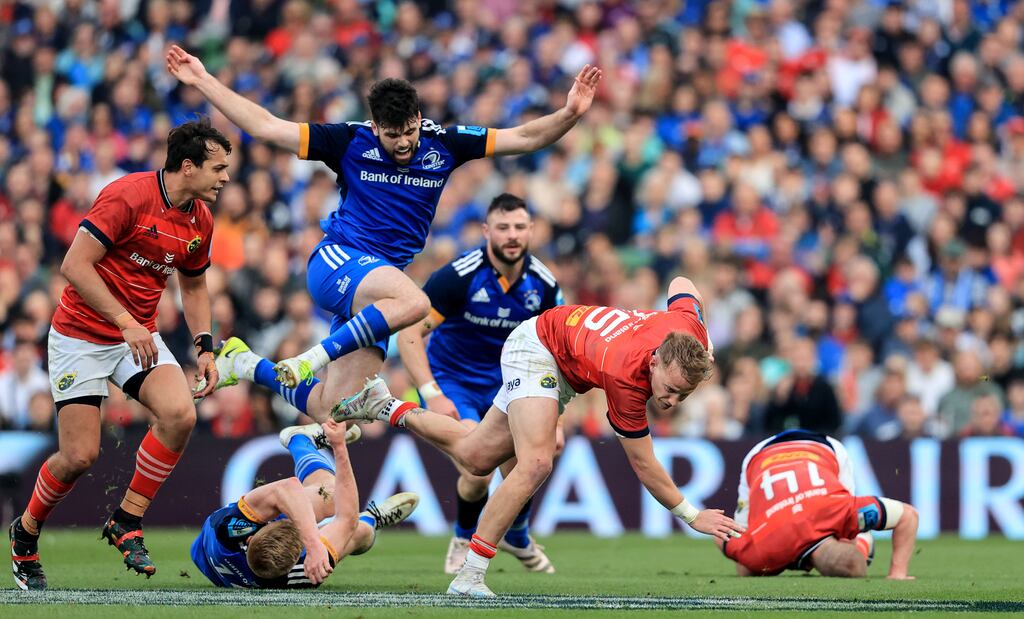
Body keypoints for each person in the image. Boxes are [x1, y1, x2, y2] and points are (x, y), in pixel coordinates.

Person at [166, 45, 601, 429]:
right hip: (337, 261)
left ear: (418, 119)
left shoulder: (445, 143)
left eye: (410, 131)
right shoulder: (348, 141)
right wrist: (203, 79)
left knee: (331, 409)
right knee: (415, 304)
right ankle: (310, 358)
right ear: (376, 127)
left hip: (378, 290)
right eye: (393, 136)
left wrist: (570, 114)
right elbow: (266, 126)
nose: (405, 144)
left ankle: (243, 362)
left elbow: (523, 137)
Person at [332, 276, 744, 597]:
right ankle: (470, 575)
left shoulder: (691, 337)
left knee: (476, 458)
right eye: (668, 389)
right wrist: (691, 515)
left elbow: (682, 286)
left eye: (684, 393)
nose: (671, 401)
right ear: (654, 361)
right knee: (537, 462)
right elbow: (643, 462)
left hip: (565, 360)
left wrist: (701, 330)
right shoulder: (627, 374)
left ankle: (382, 404)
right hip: (540, 346)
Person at [9, 119, 231, 590]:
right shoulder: (128, 195)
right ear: (187, 167)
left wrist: (204, 348)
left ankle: (126, 519)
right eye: (218, 168)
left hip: (137, 337)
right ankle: (25, 534)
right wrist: (126, 321)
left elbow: (193, 287)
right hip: (80, 336)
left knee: (179, 414)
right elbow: (74, 265)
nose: (225, 178)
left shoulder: (201, 220)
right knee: (79, 456)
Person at [396, 193, 562, 574]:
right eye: (503, 227)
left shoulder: (545, 285)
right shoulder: (457, 277)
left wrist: (559, 416)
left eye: (520, 227)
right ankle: (462, 536)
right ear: (487, 231)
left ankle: (517, 536)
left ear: (531, 230)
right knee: (478, 468)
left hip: (513, 382)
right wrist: (432, 393)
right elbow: (408, 334)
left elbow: (558, 348)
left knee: (532, 460)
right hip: (456, 381)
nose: (512, 235)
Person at [191, 421, 418, 588]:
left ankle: (299, 439)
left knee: (325, 499)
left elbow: (288, 488)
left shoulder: (228, 531)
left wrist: (312, 541)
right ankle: (373, 518)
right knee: (358, 532)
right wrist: (339, 447)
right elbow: (346, 519)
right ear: (298, 556)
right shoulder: (303, 573)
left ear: (250, 538)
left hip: (207, 549)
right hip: (266, 564)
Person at [719, 429, 919, 579]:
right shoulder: (841, 510)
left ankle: (857, 539)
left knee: (747, 569)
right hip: (820, 448)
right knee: (748, 567)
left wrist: (897, 573)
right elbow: (910, 515)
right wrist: (897, 574)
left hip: (764, 455)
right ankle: (858, 538)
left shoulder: (842, 510)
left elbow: (721, 535)